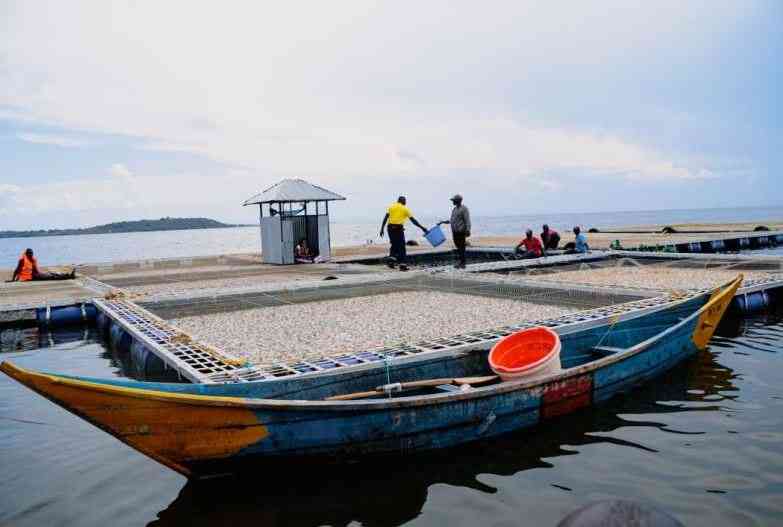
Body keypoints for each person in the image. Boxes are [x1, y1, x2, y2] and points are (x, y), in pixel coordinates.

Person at [379, 196, 428, 271]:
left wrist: (382, 229)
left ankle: (391, 263)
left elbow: (385, 218)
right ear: (402, 201)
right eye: (405, 201)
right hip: (398, 228)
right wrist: (422, 227)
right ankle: (402, 265)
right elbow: (413, 220)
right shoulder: (405, 209)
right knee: (401, 246)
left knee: (394, 245)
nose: (406, 202)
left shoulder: (391, 207)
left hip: (390, 228)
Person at [437, 194, 471, 268]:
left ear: (458, 201)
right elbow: (452, 220)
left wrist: (468, 230)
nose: (452, 202)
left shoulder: (464, 209)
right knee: (458, 246)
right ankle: (461, 262)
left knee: (461, 247)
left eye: (453, 200)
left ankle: (462, 263)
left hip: (461, 231)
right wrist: (442, 222)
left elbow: (467, 220)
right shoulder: (454, 209)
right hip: (454, 231)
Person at [11, 249, 75, 282]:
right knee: (51, 277)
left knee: (52, 273)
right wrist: (14, 279)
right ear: (26, 254)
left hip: (37, 274)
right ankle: (69, 276)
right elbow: (17, 270)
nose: (31, 255)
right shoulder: (22, 260)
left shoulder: (33, 259)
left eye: (32, 253)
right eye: (29, 254)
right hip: (33, 277)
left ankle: (67, 275)